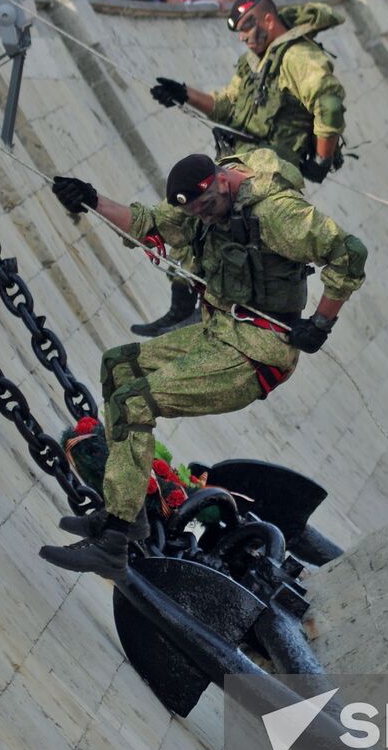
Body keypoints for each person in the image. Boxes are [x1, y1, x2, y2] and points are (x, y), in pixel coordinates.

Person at [40, 149, 367, 578]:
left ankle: (115, 539)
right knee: (119, 366)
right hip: (219, 332)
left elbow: (349, 252)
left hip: (256, 353)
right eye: (197, 212)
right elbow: (148, 223)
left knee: (133, 403)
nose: (205, 217)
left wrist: (321, 322)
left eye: (208, 206)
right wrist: (90, 199)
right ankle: (131, 506)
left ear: (222, 181)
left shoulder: (277, 215)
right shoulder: (200, 211)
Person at [140, 0, 348, 335]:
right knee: (190, 220)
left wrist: (322, 159)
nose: (243, 37)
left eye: (247, 28)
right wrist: (184, 94)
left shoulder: (297, 57)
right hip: (238, 162)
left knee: (222, 236)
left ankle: (205, 312)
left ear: (268, 19)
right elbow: (228, 106)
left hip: (265, 173)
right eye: (238, 32)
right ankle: (181, 309)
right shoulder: (257, 63)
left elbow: (329, 105)